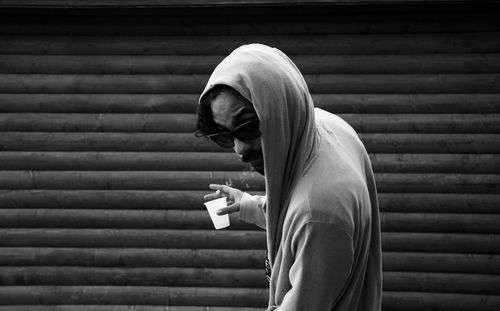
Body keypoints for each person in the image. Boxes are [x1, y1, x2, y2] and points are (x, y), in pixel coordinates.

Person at [195, 44, 382, 311]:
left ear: (281, 110)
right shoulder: (323, 126)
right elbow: (295, 212)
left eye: (247, 128)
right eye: (225, 135)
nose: (239, 150)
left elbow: (309, 218)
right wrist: (252, 205)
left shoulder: (319, 213)